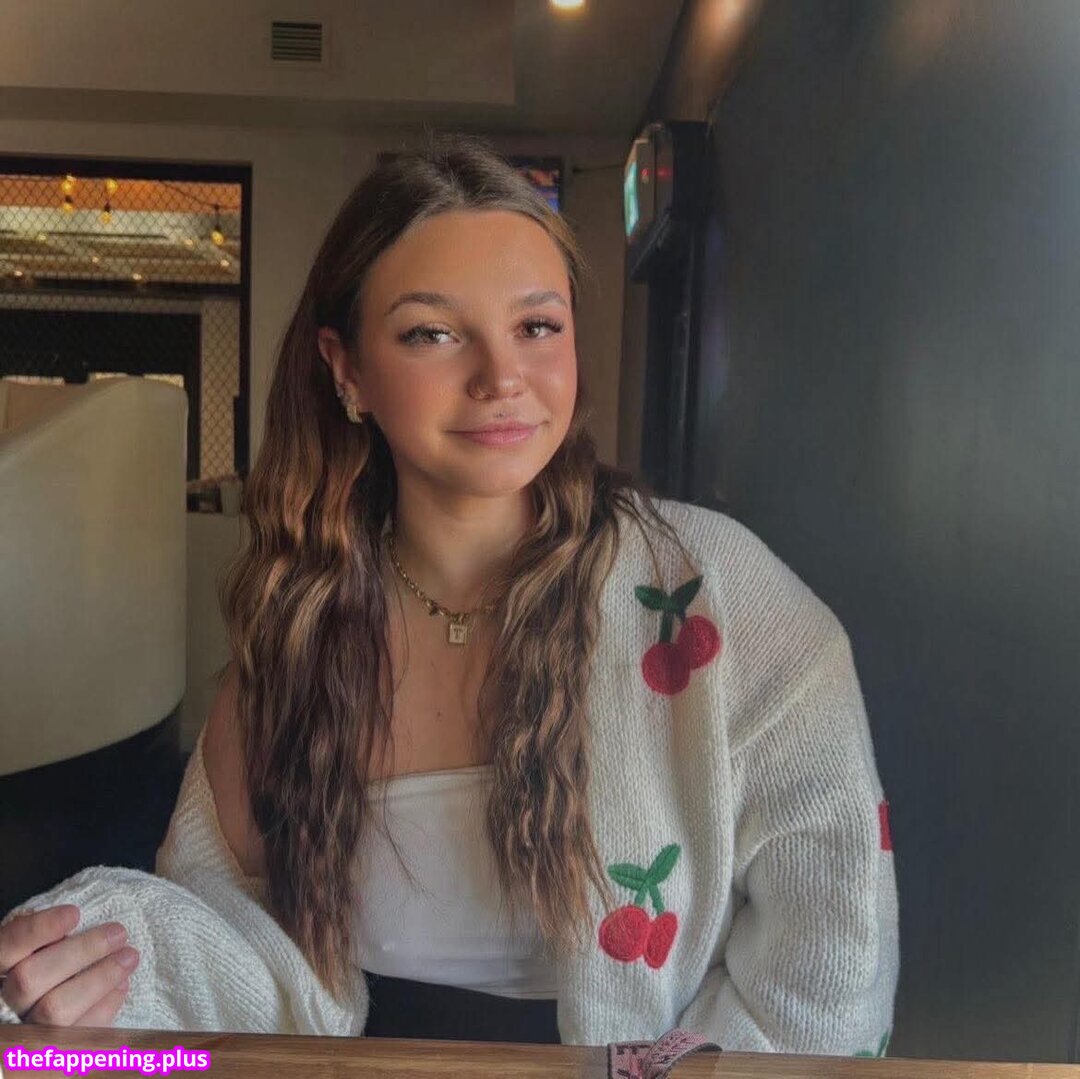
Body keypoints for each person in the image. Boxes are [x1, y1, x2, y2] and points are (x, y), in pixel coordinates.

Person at [0, 135, 899, 1052]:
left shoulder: (723, 599)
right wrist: (103, 969)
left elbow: (829, 965)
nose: (501, 376)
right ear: (346, 368)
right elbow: (220, 935)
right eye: (431, 332)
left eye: (537, 326)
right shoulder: (299, 634)